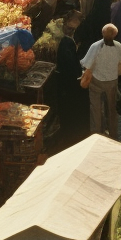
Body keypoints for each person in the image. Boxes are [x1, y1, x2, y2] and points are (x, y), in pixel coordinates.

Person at [81, 23, 121, 139]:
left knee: (96, 108)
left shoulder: (95, 46)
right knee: (112, 109)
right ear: (115, 35)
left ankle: (96, 134)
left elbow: (87, 64)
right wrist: (115, 73)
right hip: (112, 81)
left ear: (102, 33)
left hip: (96, 81)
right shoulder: (119, 46)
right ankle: (113, 134)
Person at [53, 12, 90, 149]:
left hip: (65, 89)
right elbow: (72, 68)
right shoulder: (67, 44)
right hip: (70, 89)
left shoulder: (65, 43)